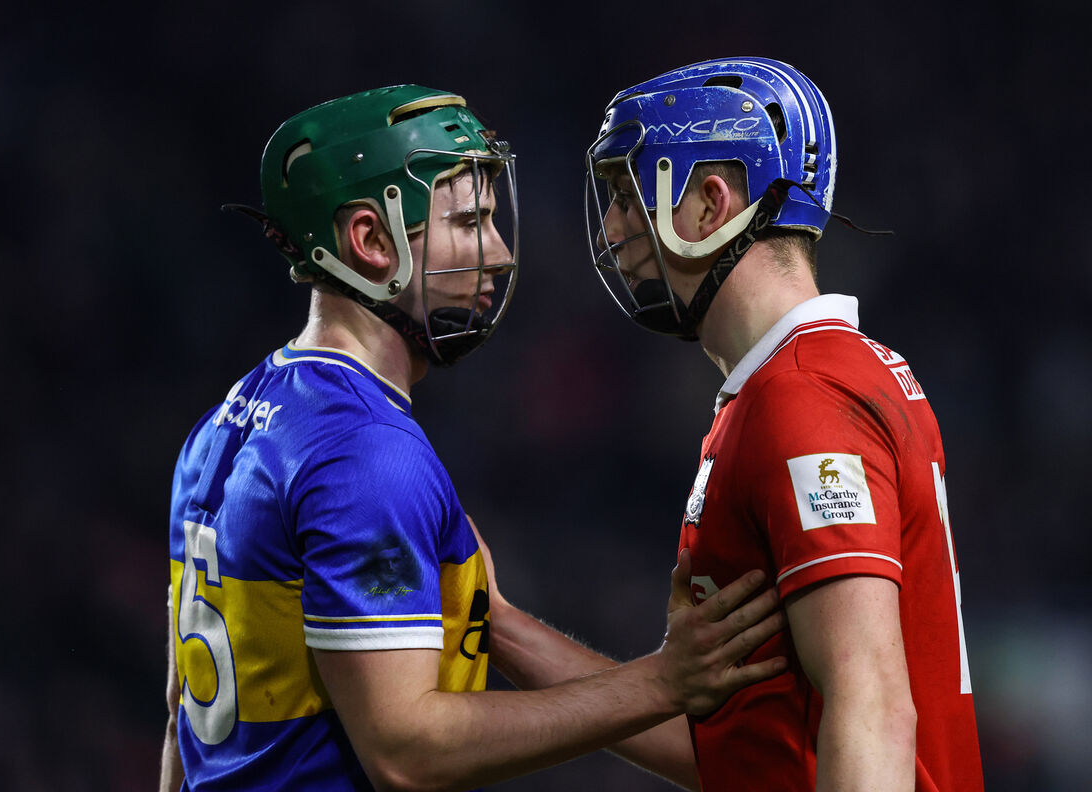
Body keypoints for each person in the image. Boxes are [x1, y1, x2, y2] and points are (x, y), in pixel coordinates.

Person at [159, 84, 788, 792]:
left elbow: (182, 723)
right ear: (369, 241)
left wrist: (502, 619)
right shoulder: (361, 452)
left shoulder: (228, 422)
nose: (497, 253)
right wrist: (661, 683)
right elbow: (407, 752)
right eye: (469, 222)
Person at [575, 57, 983, 790]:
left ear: (709, 202)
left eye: (628, 195)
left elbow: (872, 705)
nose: (612, 227)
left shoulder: (801, 399)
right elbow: (751, 751)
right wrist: (503, 624)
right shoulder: (820, 377)